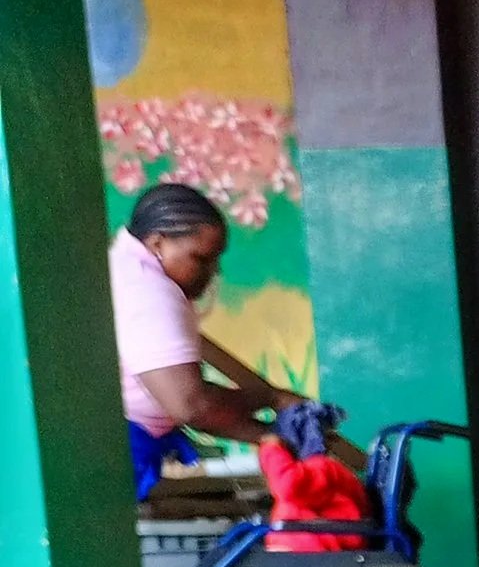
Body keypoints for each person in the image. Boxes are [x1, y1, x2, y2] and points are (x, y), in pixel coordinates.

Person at [109, 183, 356, 497]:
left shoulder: (124, 265)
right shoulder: (148, 292)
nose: (213, 272)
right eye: (201, 259)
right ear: (157, 243)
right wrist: (271, 402)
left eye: (215, 260)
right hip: (125, 449)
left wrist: (272, 431)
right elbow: (193, 406)